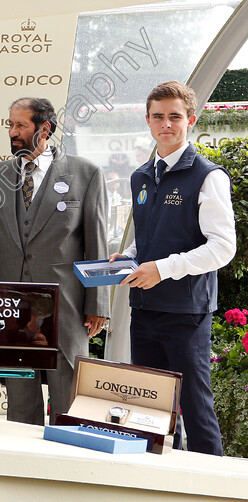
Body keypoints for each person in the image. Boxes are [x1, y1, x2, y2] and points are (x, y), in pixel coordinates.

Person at [110, 81, 236, 455]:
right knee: (149, 411)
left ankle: (211, 488)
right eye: (159, 116)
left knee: (196, 410)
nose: (167, 124)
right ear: (148, 121)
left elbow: (223, 248)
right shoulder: (141, 176)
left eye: (175, 117)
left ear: (191, 120)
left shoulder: (208, 176)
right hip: (145, 308)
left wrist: (163, 269)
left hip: (187, 313)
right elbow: (151, 235)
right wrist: (129, 256)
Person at [0, 97, 109, 426]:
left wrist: (98, 303)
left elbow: (96, 244)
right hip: (11, 309)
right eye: (10, 125)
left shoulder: (86, 174)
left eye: (20, 125)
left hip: (65, 310)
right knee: (20, 405)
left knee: (69, 403)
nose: (12, 132)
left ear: (45, 129)